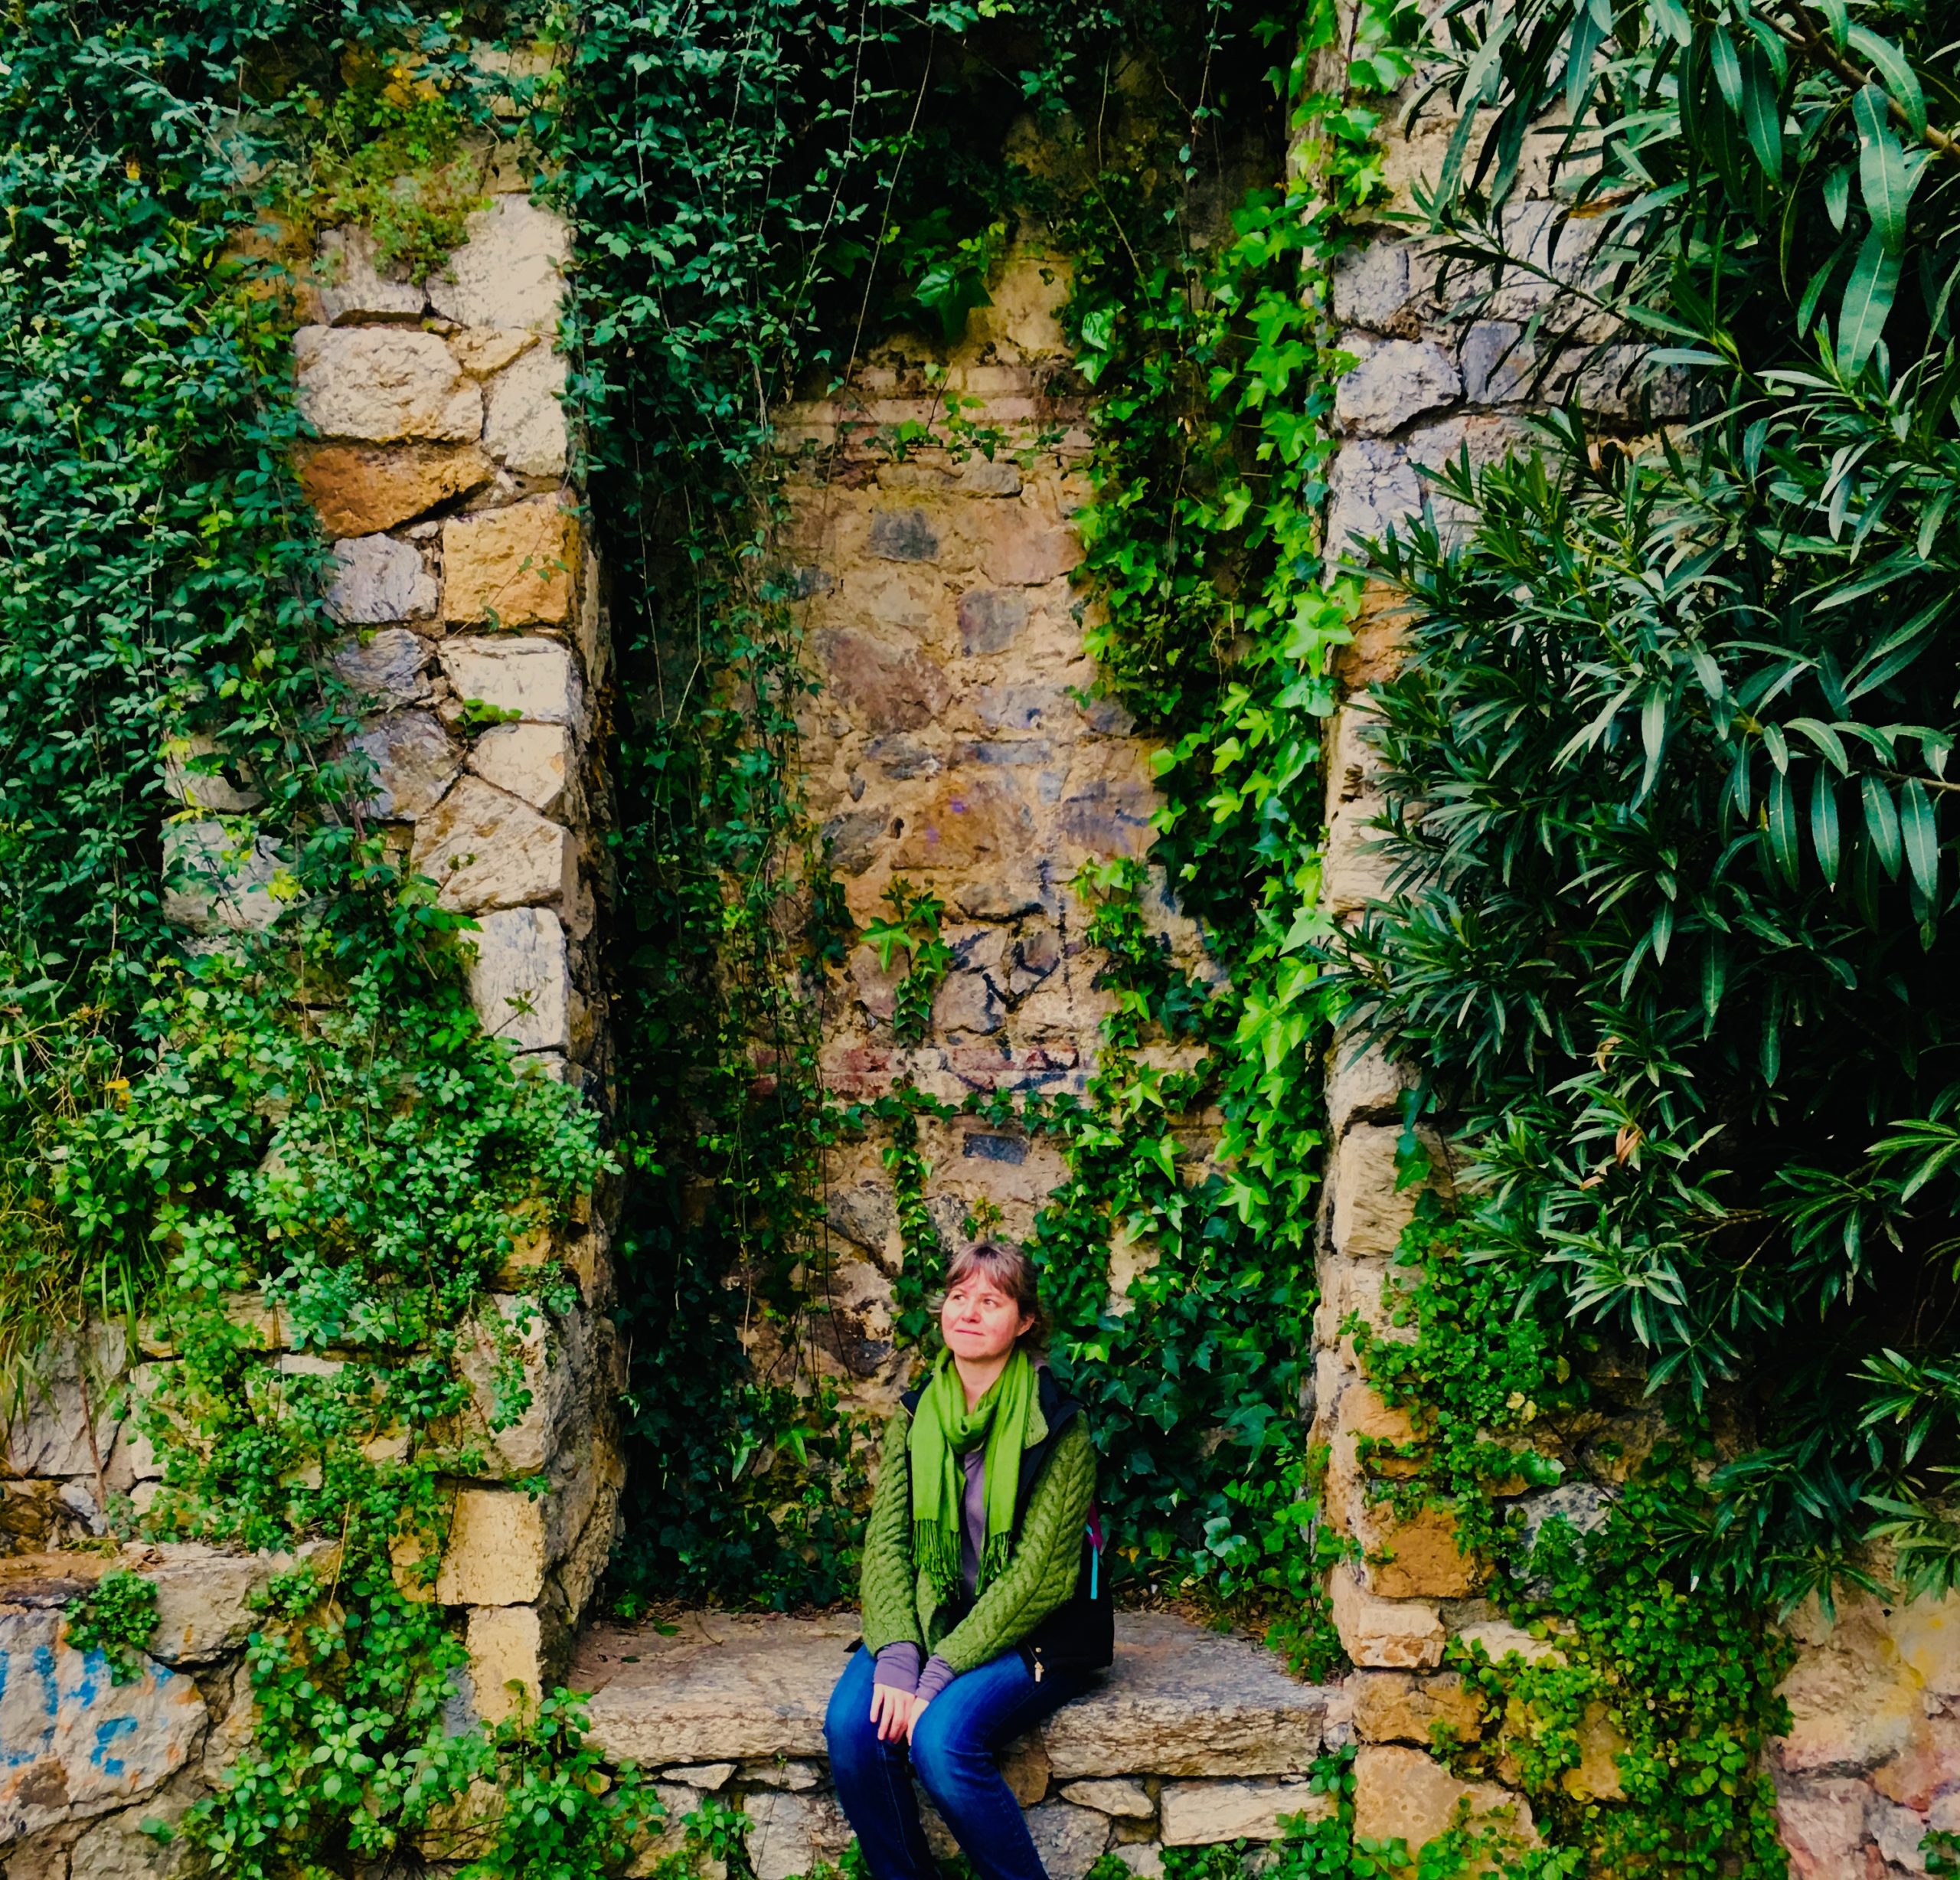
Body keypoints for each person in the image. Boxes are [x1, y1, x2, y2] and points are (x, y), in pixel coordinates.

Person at [825, 1241, 1109, 1880]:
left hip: (1034, 1634)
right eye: (958, 1296)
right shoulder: (916, 1414)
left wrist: (937, 1674)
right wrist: (900, 1653)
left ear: (1025, 1320)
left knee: (941, 1740)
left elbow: (1039, 1579)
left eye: (991, 1300)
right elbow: (888, 1544)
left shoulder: (1060, 1426)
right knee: (851, 1726)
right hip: (936, 1615)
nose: (969, 1312)